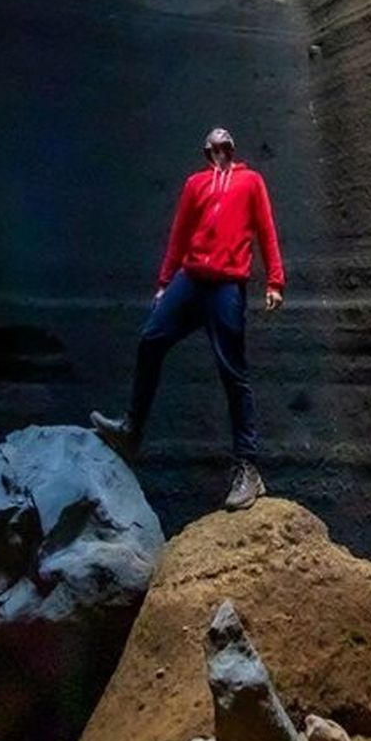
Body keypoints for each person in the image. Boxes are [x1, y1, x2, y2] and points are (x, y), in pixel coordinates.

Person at [91, 126, 285, 511]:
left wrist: (275, 280)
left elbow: (266, 229)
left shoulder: (250, 181)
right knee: (151, 338)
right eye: (214, 146)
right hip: (191, 278)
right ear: (207, 151)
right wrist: (165, 281)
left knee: (233, 371)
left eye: (225, 145)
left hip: (226, 285)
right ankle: (132, 430)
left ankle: (248, 468)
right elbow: (180, 233)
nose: (220, 151)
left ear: (233, 148)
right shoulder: (196, 184)